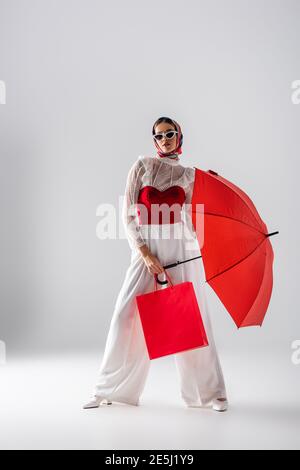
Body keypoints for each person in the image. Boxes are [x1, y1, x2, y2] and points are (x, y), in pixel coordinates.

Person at [83, 117, 228, 412]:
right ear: (154, 140)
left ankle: (209, 395)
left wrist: (209, 191)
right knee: (126, 315)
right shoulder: (142, 167)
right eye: (159, 135)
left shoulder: (188, 175)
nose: (165, 139)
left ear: (180, 136)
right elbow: (126, 215)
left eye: (170, 133)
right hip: (147, 250)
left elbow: (190, 217)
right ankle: (110, 390)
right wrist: (145, 253)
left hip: (179, 249)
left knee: (188, 320)